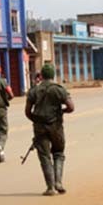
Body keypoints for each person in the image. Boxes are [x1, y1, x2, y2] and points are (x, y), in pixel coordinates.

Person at [25, 64, 75, 196]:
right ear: (53, 75)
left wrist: (37, 121)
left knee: (44, 157)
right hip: (56, 127)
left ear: (41, 76)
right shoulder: (59, 89)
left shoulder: (34, 91)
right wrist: (61, 112)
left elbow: (27, 112)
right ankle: (58, 182)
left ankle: (50, 187)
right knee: (58, 153)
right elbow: (71, 107)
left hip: (40, 128)